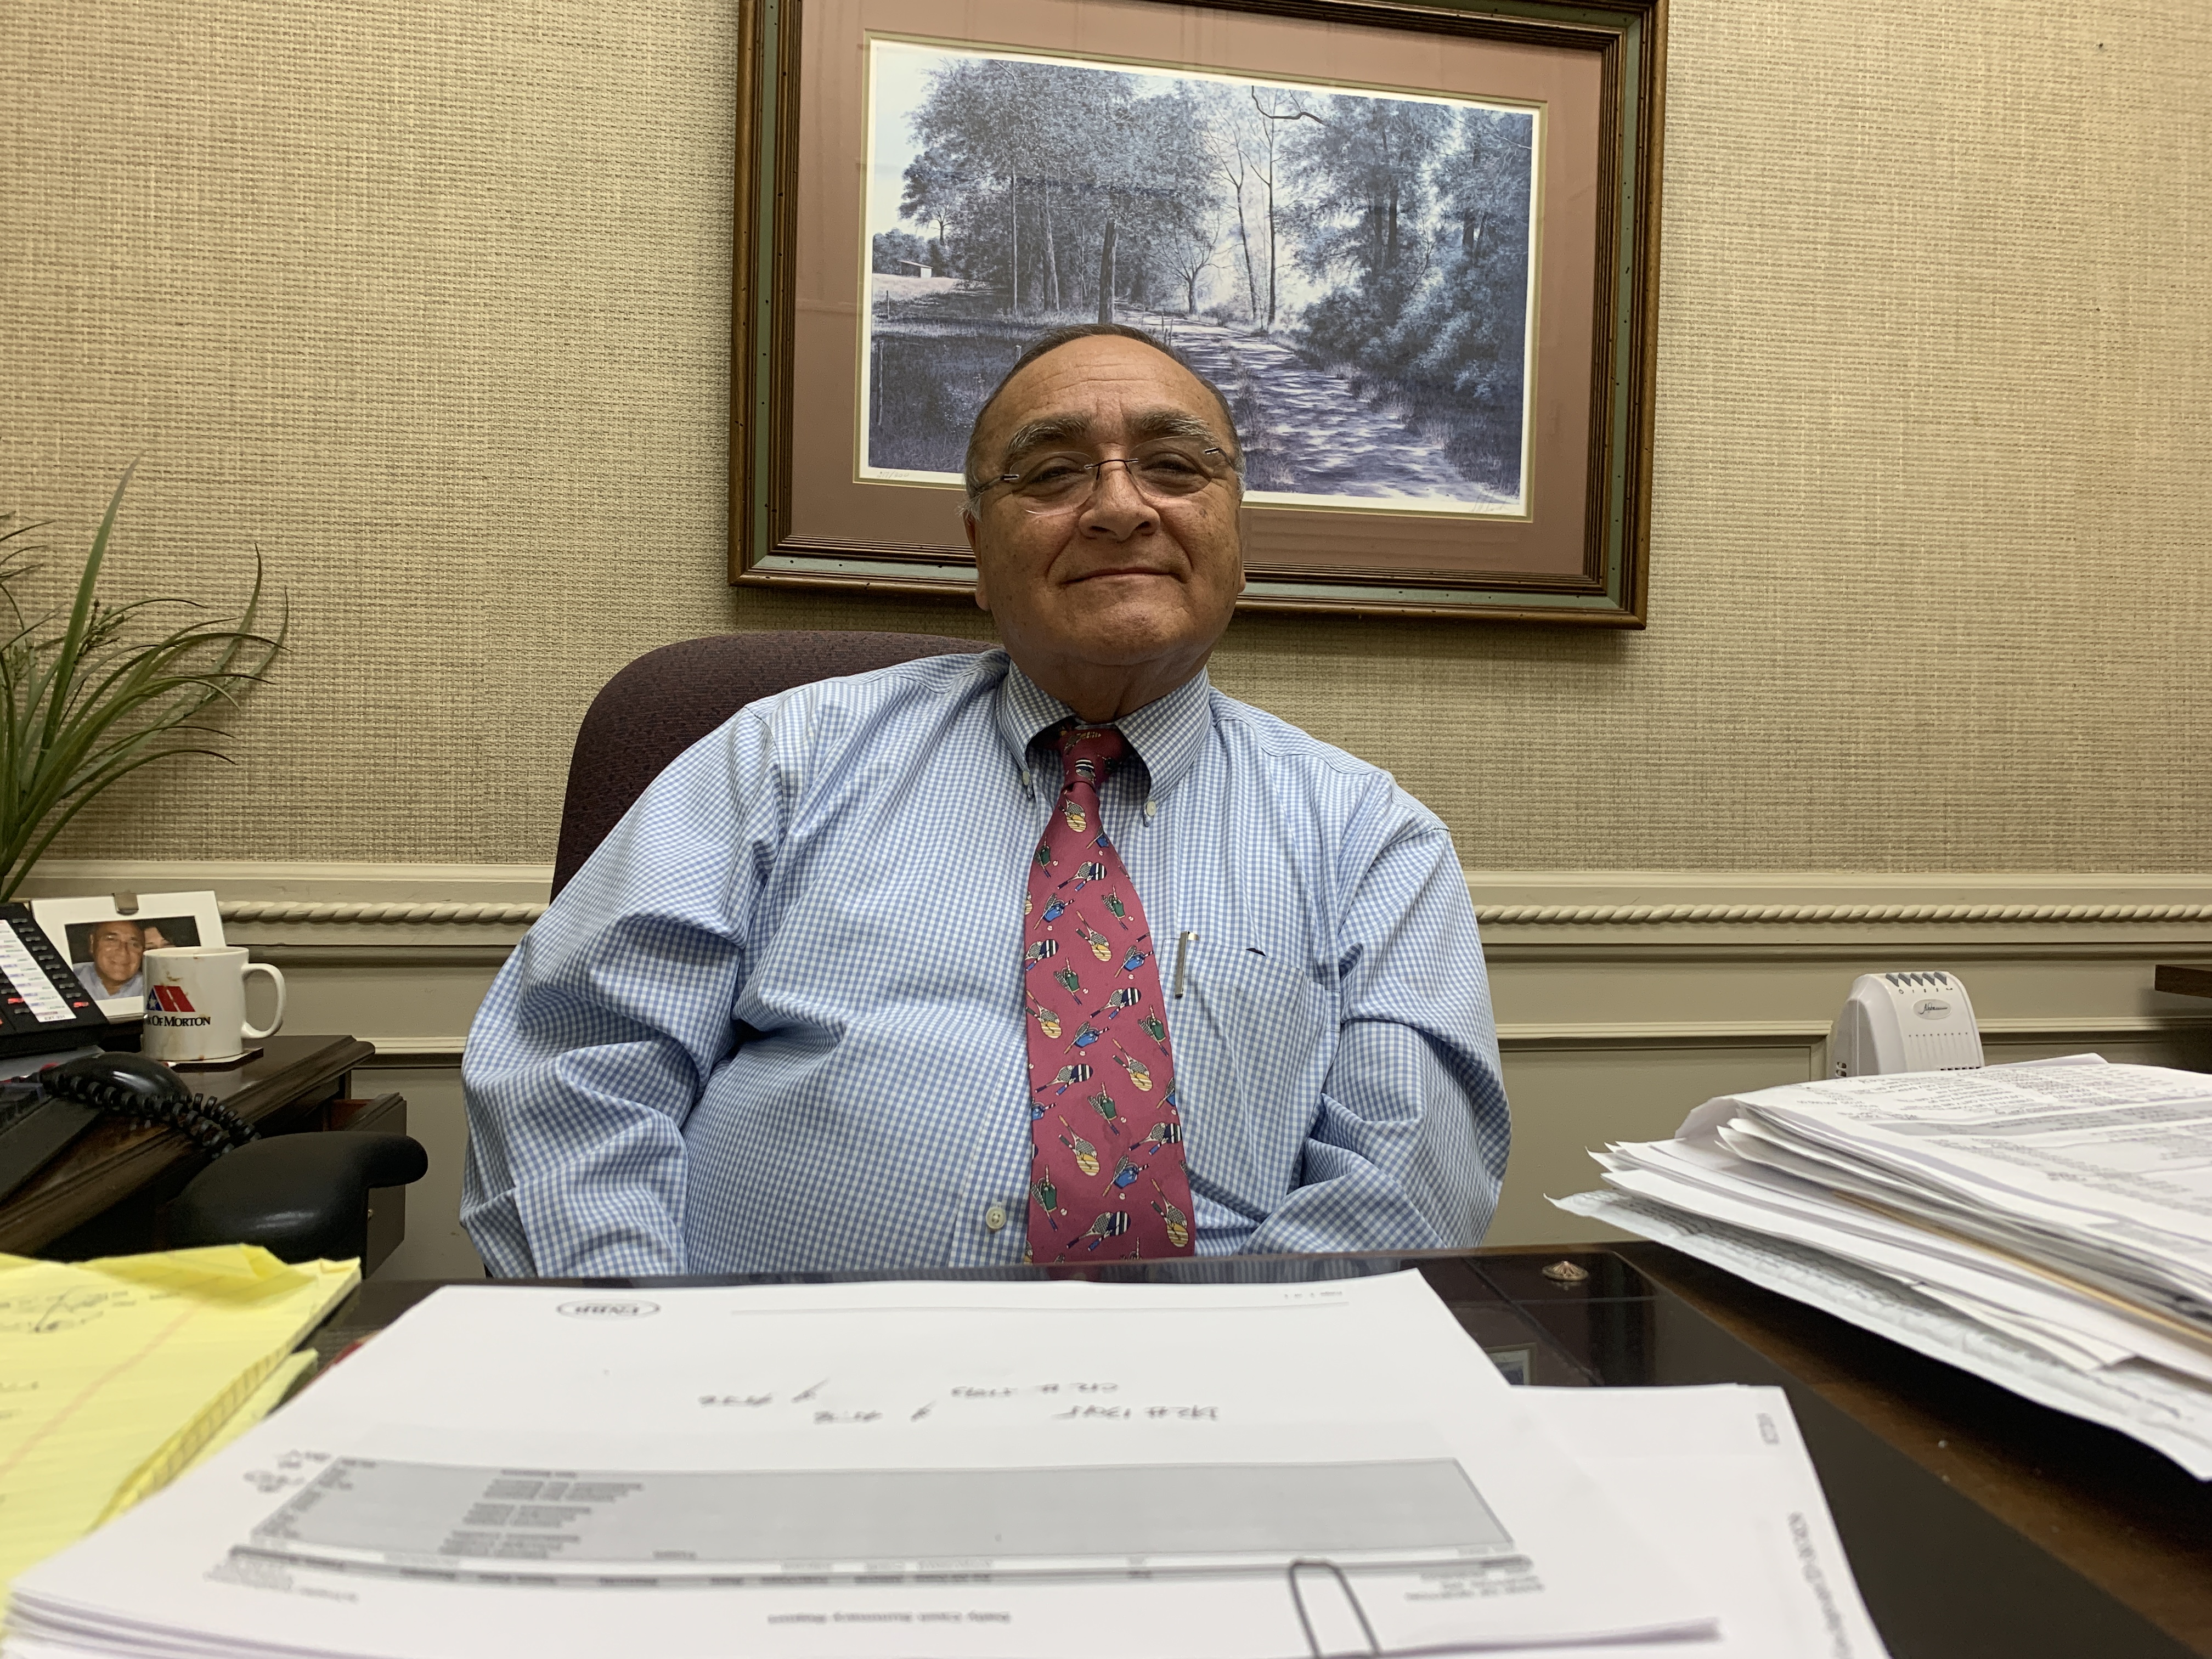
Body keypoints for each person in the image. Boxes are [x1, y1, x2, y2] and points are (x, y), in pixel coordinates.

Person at [462, 323, 1508, 1276]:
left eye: (1173, 466)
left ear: (1235, 532)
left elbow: (1402, 1184)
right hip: (750, 1379)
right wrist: (638, 1344)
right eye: (1051, 473)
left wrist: (1221, 1386)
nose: (1118, 507)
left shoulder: (1374, 844)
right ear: (977, 552)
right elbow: (574, 1066)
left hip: (1203, 1386)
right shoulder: (784, 756)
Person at [73, 918, 146, 999]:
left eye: (134, 944)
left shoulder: (152, 988)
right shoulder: (71, 975)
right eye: (112, 940)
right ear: (92, 943)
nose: (123, 952)